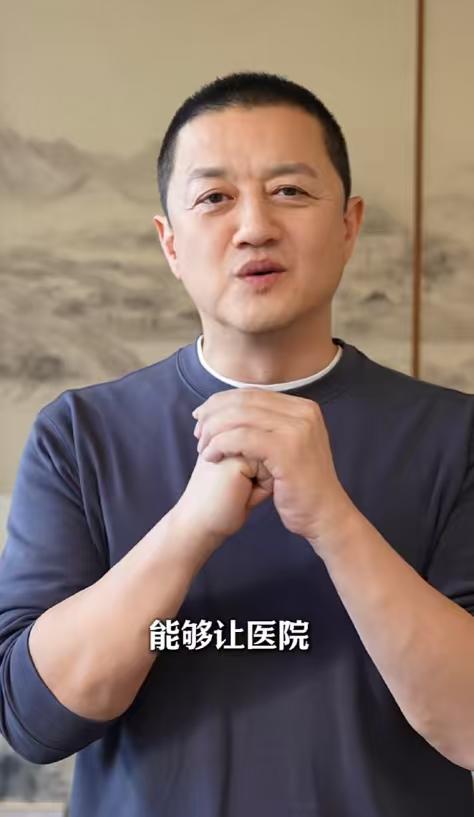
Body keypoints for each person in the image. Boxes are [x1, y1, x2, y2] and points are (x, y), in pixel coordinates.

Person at [0, 71, 473, 817]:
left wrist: (333, 520)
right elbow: (36, 719)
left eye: (290, 190)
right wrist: (191, 528)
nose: (254, 226)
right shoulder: (80, 436)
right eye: (215, 197)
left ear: (349, 225)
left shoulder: (455, 437)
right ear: (170, 242)